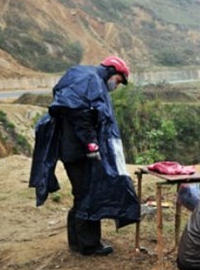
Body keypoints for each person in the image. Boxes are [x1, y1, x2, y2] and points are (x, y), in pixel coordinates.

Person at [29, 56, 140, 256]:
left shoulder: (82, 75)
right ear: (112, 71)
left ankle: (76, 242)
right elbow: (80, 115)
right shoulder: (91, 80)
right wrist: (92, 144)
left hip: (70, 148)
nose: (117, 85)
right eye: (118, 80)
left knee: (80, 194)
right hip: (79, 151)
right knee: (89, 194)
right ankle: (89, 245)